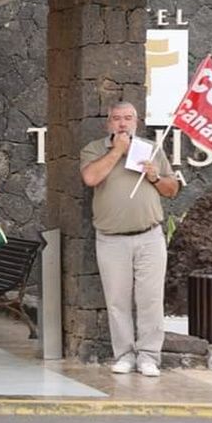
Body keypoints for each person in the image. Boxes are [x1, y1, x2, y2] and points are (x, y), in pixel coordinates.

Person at [80, 101, 179, 377]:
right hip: (112, 239)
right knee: (117, 300)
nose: (122, 123)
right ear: (108, 123)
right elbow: (90, 177)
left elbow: (171, 190)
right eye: (116, 118)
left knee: (150, 299)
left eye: (128, 118)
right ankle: (124, 354)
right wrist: (117, 151)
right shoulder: (94, 149)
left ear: (137, 122)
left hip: (149, 237)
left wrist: (155, 177)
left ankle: (149, 356)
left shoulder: (151, 150)